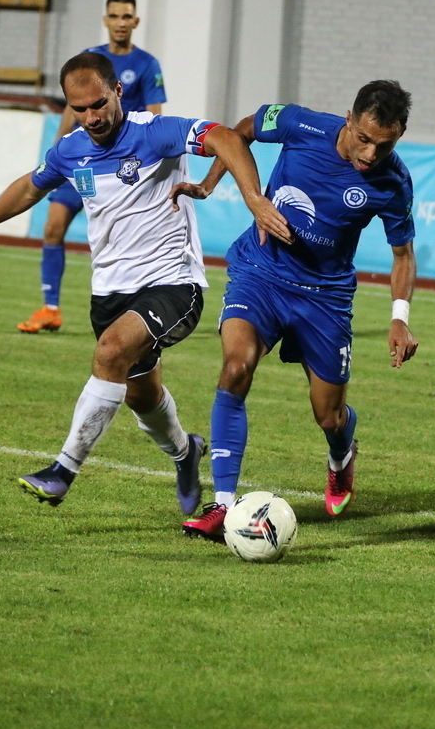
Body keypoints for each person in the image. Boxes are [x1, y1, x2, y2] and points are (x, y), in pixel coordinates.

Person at [0, 52, 270, 515]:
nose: (91, 117)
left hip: (173, 284)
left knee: (109, 352)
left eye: (98, 104)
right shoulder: (71, 148)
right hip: (110, 291)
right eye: (79, 108)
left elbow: (226, 137)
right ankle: (186, 454)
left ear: (117, 92)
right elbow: (30, 187)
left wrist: (251, 199)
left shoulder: (153, 132)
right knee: (141, 396)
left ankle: (62, 471)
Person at [177, 80, 420, 542]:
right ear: (349, 119)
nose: (370, 154)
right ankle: (223, 507)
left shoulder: (393, 182)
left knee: (328, 415)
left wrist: (399, 317)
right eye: (364, 139)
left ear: (399, 136)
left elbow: (403, 255)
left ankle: (341, 454)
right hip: (261, 273)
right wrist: (212, 186)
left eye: (384, 145)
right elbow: (240, 132)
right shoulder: (299, 123)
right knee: (235, 368)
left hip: (324, 297)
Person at [18, 0, 167, 334]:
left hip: (125, 167)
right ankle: (50, 308)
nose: (120, 23)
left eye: (126, 16)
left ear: (136, 22)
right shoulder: (89, 59)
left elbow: (155, 117)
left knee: (124, 239)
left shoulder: (147, 64)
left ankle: (136, 309)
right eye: (114, 16)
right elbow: (75, 107)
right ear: (105, 20)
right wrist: (57, 149)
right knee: (53, 225)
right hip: (85, 159)